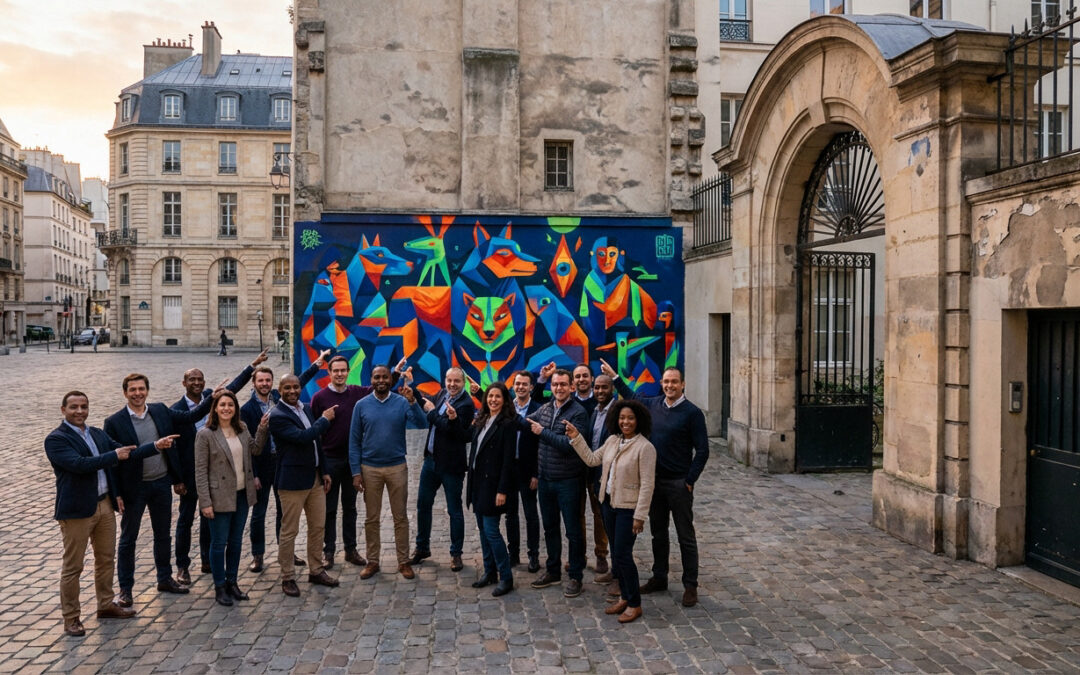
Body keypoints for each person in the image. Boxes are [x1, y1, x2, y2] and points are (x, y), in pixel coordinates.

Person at [45, 391, 176, 637]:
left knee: (106, 559)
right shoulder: (56, 439)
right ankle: (71, 617)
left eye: (84, 406)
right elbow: (79, 464)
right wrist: (113, 456)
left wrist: (155, 446)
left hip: (103, 505)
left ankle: (105, 605)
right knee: (73, 567)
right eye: (74, 407)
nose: (80, 411)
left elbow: (126, 451)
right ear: (63, 410)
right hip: (77, 511)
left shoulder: (95, 433)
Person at [104, 373, 231, 608]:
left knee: (163, 535)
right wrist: (116, 494)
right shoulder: (114, 422)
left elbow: (190, 415)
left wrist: (211, 399)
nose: (138, 393)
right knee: (128, 539)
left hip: (160, 483)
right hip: (135, 487)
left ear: (147, 391)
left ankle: (164, 578)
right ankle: (125, 588)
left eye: (141, 389)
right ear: (125, 393)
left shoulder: (160, 410)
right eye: (132, 390)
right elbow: (114, 461)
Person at [605, 361, 709, 607]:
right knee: (658, 533)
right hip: (654, 483)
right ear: (661, 384)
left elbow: (703, 450)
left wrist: (690, 480)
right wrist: (615, 377)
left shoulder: (692, 413)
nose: (670, 385)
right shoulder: (653, 405)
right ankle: (659, 576)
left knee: (685, 535)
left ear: (682, 385)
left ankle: (690, 585)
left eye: (674, 382)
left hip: (679, 484)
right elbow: (631, 397)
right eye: (666, 381)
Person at [172, 351, 268, 585]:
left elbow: (232, 390)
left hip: (219, 475)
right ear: (184, 383)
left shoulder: (213, 398)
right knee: (186, 520)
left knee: (210, 522)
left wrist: (252, 366)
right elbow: (172, 448)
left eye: (199, 379)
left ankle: (207, 560)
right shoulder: (176, 409)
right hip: (190, 473)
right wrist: (177, 479)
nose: (196, 383)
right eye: (191, 379)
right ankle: (182, 565)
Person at [565, 400, 656, 623]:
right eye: (622, 418)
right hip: (608, 505)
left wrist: (640, 516)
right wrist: (576, 437)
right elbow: (592, 459)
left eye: (631, 418)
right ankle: (625, 597)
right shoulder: (613, 440)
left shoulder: (645, 447)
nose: (626, 422)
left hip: (628, 509)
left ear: (639, 421)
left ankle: (635, 604)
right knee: (617, 554)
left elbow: (647, 484)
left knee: (624, 556)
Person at [311, 355, 404, 571]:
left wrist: (396, 372)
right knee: (330, 509)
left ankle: (351, 549)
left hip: (354, 460)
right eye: (336, 371)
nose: (340, 374)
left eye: (344, 370)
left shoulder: (357, 393)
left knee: (351, 507)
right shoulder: (319, 398)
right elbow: (314, 432)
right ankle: (329, 551)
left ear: (348, 372)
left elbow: (380, 386)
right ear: (329, 373)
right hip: (330, 460)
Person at [239, 350, 328, 573]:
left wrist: (317, 364)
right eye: (261, 380)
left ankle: (285, 553)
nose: (265, 384)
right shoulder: (247, 410)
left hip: (281, 462)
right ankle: (258, 555)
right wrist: (254, 474)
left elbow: (298, 382)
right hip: (261, 464)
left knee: (284, 513)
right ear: (254, 383)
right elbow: (247, 445)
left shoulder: (279, 399)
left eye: (268, 380)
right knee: (259, 513)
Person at [349, 365, 427, 580]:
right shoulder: (361, 405)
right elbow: (354, 441)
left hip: (396, 467)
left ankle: (403, 561)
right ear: (371, 379)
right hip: (369, 468)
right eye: (376, 377)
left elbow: (421, 423)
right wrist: (356, 472)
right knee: (371, 518)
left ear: (390, 381)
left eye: (385, 377)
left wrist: (413, 401)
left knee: (400, 517)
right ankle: (372, 560)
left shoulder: (401, 402)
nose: (381, 380)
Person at [195, 390, 269, 606]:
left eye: (230, 405)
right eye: (222, 405)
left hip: (241, 494)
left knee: (236, 542)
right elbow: (200, 471)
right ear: (215, 408)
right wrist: (205, 502)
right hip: (219, 496)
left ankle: (232, 582)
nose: (226, 408)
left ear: (235, 408)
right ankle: (219, 586)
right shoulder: (205, 434)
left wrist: (262, 429)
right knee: (218, 543)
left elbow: (255, 450)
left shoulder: (242, 428)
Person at [268, 374, 338, 597]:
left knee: (318, 526)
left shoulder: (305, 408)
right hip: (292, 482)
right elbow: (303, 437)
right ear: (279, 390)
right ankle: (287, 576)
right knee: (289, 532)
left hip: (315, 478)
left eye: (296, 387)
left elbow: (318, 443)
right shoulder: (277, 416)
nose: (292, 391)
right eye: (287, 387)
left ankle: (316, 570)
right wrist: (325, 420)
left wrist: (324, 470)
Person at [523, 368, 590, 598]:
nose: (559, 388)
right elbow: (524, 422)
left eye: (563, 384)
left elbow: (568, 444)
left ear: (571, 387)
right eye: (555, 384)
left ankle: (576, 576)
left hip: (569, 481)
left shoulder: (578, 413)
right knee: (550, 528)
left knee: (573, 531)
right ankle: (553, 570)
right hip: (546, 480)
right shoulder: (545, 408)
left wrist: (542, 432)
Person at [410, 367, 475, 572]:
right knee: (423, 505)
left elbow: (455, 432)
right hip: (431, 461)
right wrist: (412, 386)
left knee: (454, 511)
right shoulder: (442, 394)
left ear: (463, 382)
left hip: (451, 466)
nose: (452, 385)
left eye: (456, 381)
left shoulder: (466, 404)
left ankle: (456, 553)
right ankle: (422, 548)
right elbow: (427, 402)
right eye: (449, 380)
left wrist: (431, 413)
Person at [466, 382, 517, 597]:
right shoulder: (482, 419)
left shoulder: (507, 424)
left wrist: (502, 491)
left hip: (493, 486)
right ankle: (490, 571)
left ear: (504, 400)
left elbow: (508, 461)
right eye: (490, 396)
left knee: (492, 532)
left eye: (498, 397)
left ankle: (506, 577)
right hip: (477, 483)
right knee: (484, 533)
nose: (493, 400)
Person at [506, 370, 541, 573]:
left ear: (531, 387)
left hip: (529, 470)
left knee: (531, 514)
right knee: (510, 515)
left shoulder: (538, 409)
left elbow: (540, 445)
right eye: (517, 384)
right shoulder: (507, 408)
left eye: (524, 384)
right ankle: (513, 554)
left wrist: (536, 473)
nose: (520, 387)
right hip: (510, 470)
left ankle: (533, 555)